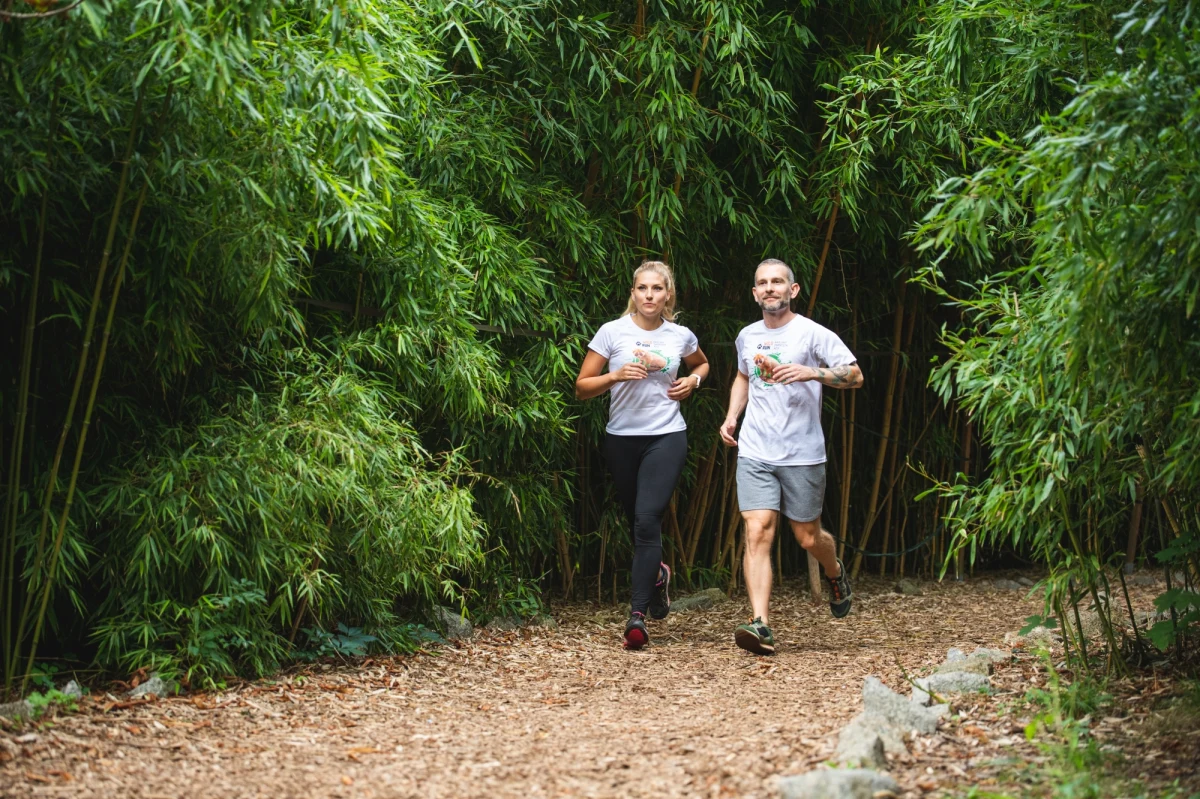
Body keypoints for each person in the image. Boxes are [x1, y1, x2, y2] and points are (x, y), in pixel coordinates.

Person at [719, 258, 863, 655]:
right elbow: (744, 377)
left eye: (777, 282)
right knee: (757, 530)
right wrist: (732, 416)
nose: (770, 288)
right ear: (755, 293)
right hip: (756, 449)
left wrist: (810, 373)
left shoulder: (812, 333)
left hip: (802, 453)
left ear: (792, 290)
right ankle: (760, 624)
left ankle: (834, 572)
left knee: (807, 536)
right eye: (762, 283)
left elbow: (854, 375)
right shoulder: (747, 336)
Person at [576, 261, 710, 649]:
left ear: (667, 295)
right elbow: (582, 387)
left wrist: (694, 379)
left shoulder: (680, 335)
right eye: (642, 288)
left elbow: (701, 362)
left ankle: (637, 617)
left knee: (647, 519)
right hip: (621, 438)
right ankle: (657, 574)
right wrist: (615, 376)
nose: (649, 295)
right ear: (632, 293)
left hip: (666, 435)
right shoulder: (612, 332)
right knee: (636, 522)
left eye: (656, 289)